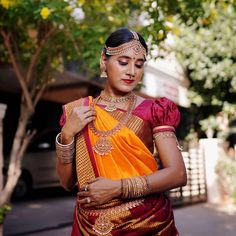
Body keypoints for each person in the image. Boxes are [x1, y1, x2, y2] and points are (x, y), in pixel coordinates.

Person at [55, 28, 187, 236]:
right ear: (103, 61)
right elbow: (66, 182)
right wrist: (66, 136)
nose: (131, 71)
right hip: (88, 225)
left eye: (139, 64)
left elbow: (177, 174)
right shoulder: (77, 112)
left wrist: (118, 188)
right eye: (123, 62)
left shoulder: (154, 110)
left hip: (146, 223)